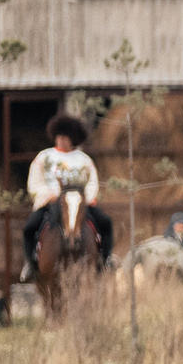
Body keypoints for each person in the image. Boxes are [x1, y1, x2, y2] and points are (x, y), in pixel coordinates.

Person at [18, 112, 112, 280]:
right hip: (52, 203)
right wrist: (48, 196)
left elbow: (92, 182)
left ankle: (105, 260)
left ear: (73, 138)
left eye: (65, 137)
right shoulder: (44, 157)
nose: (60, 140)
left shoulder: (84, 160)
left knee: (105, 222)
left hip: (80, 204)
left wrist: (87, 199)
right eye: (58, 136)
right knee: (29, 228)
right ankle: (31, 264)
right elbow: (35, 181)